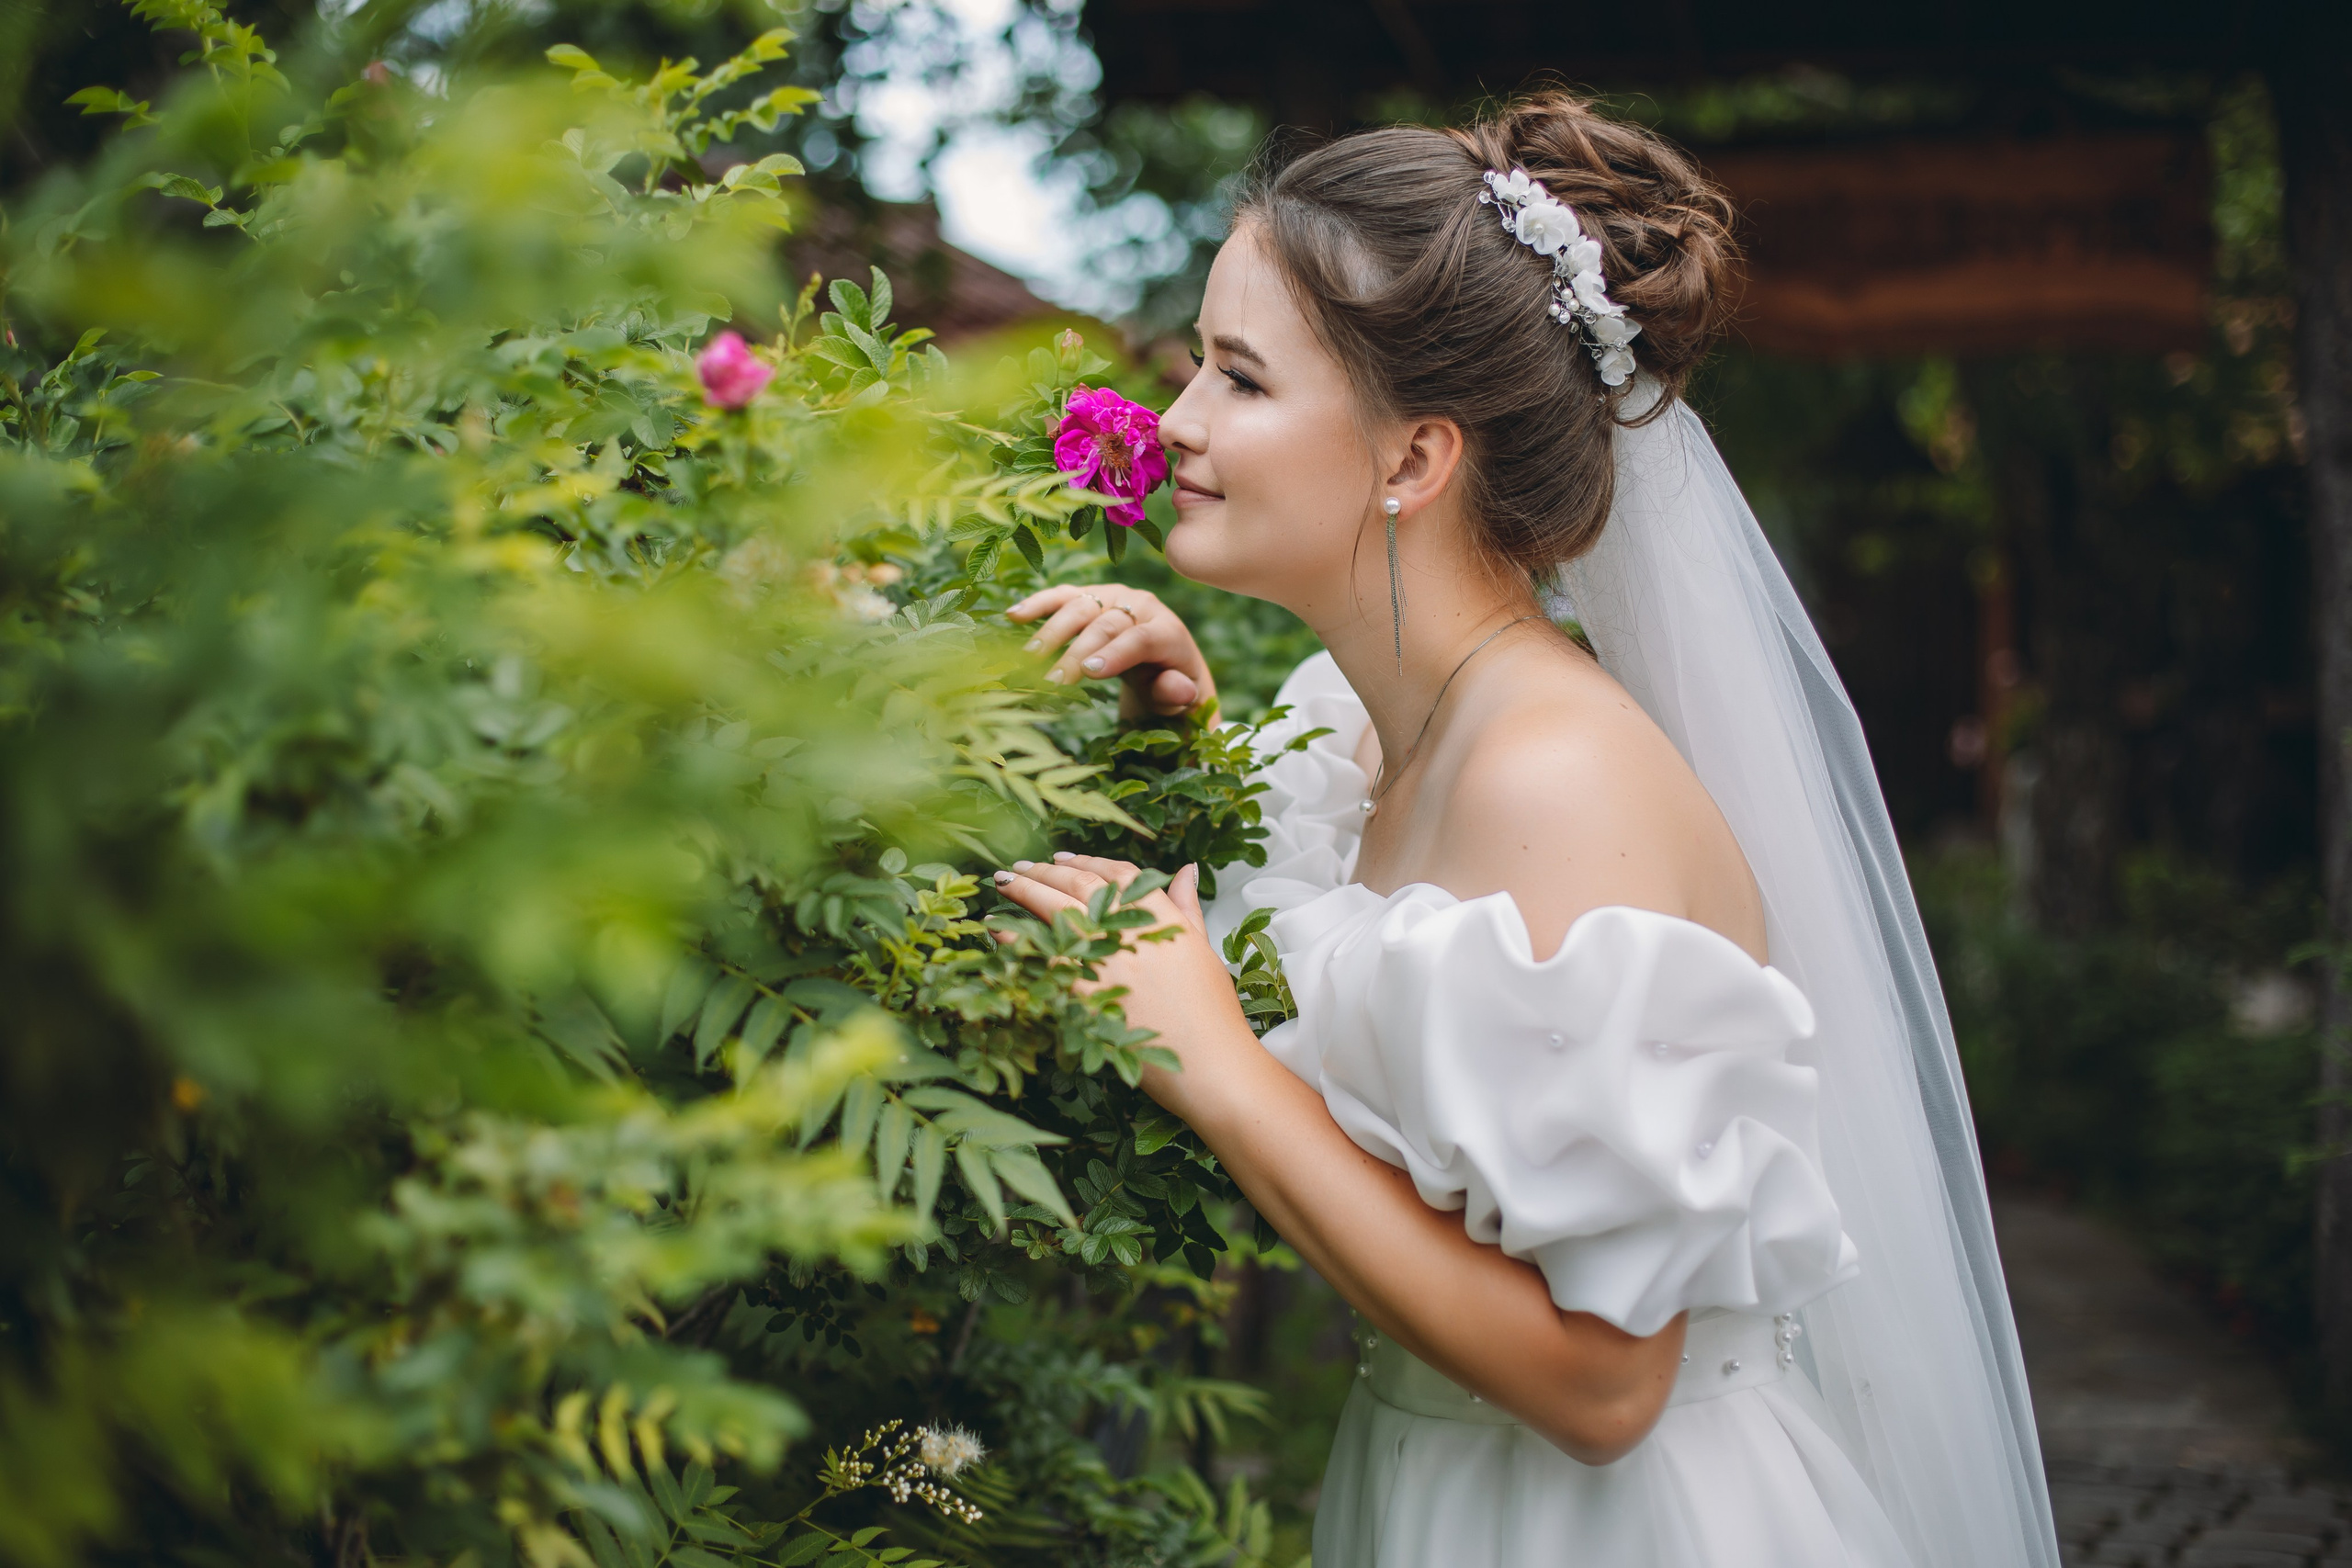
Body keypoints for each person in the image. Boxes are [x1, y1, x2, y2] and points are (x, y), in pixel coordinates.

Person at [989, 94, 2059, 1568]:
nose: (1175, 422)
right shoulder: (1359, 722)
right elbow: (1388, 1020)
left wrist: (1219, 1071)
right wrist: (1183, 753)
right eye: (1197, 365)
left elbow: (1608, 1381)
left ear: (1413, 461)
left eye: (1241, 378)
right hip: (1432, 1484)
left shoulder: (1561, 783)